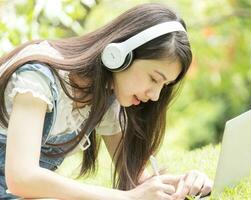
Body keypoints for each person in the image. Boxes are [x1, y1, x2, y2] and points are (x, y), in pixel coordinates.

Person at [0, 3, 212, 200]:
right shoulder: (38, 78)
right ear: (120, 55)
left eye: (163, 85)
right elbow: (21, 177)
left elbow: (138, 182)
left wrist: (182, 183)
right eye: (154, 78)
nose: (155, 95)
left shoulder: (106, 97)